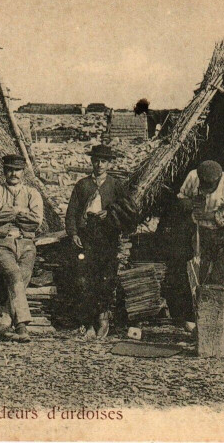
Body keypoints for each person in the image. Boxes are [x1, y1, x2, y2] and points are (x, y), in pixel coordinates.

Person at [65, 144, 127, 340]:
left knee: (106, 278)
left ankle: (103, 320)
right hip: (87, 236)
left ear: (109, 163)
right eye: (96, 160)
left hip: (107, 235)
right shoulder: (83, 185)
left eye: (103, 161)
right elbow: (72, 212)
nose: (99, 164)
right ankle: (87, 323)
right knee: (85, 278)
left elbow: (127, 208)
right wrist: (74, 233)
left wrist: (110, 212)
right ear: (91, 162)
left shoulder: (115, 185)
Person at [177, 160, 224, 338]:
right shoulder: (192, 177)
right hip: (201, 231)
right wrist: (190, 204)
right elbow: (181, 198)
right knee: (199, 275)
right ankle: (201, 322)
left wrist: (209, 215)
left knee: (220, 276)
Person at [0, 154, 44, 343]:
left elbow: (35, 222)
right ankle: (21, 325)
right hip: (2, 243)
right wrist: (20, 211)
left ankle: (6, 317)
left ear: (23, 172)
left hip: (26, 244)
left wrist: (8, 212)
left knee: (23, 274)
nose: (13, 173)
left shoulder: (32, 193)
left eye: (17, 170)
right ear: (4, 171)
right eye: (9, 169)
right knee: (14, 274)